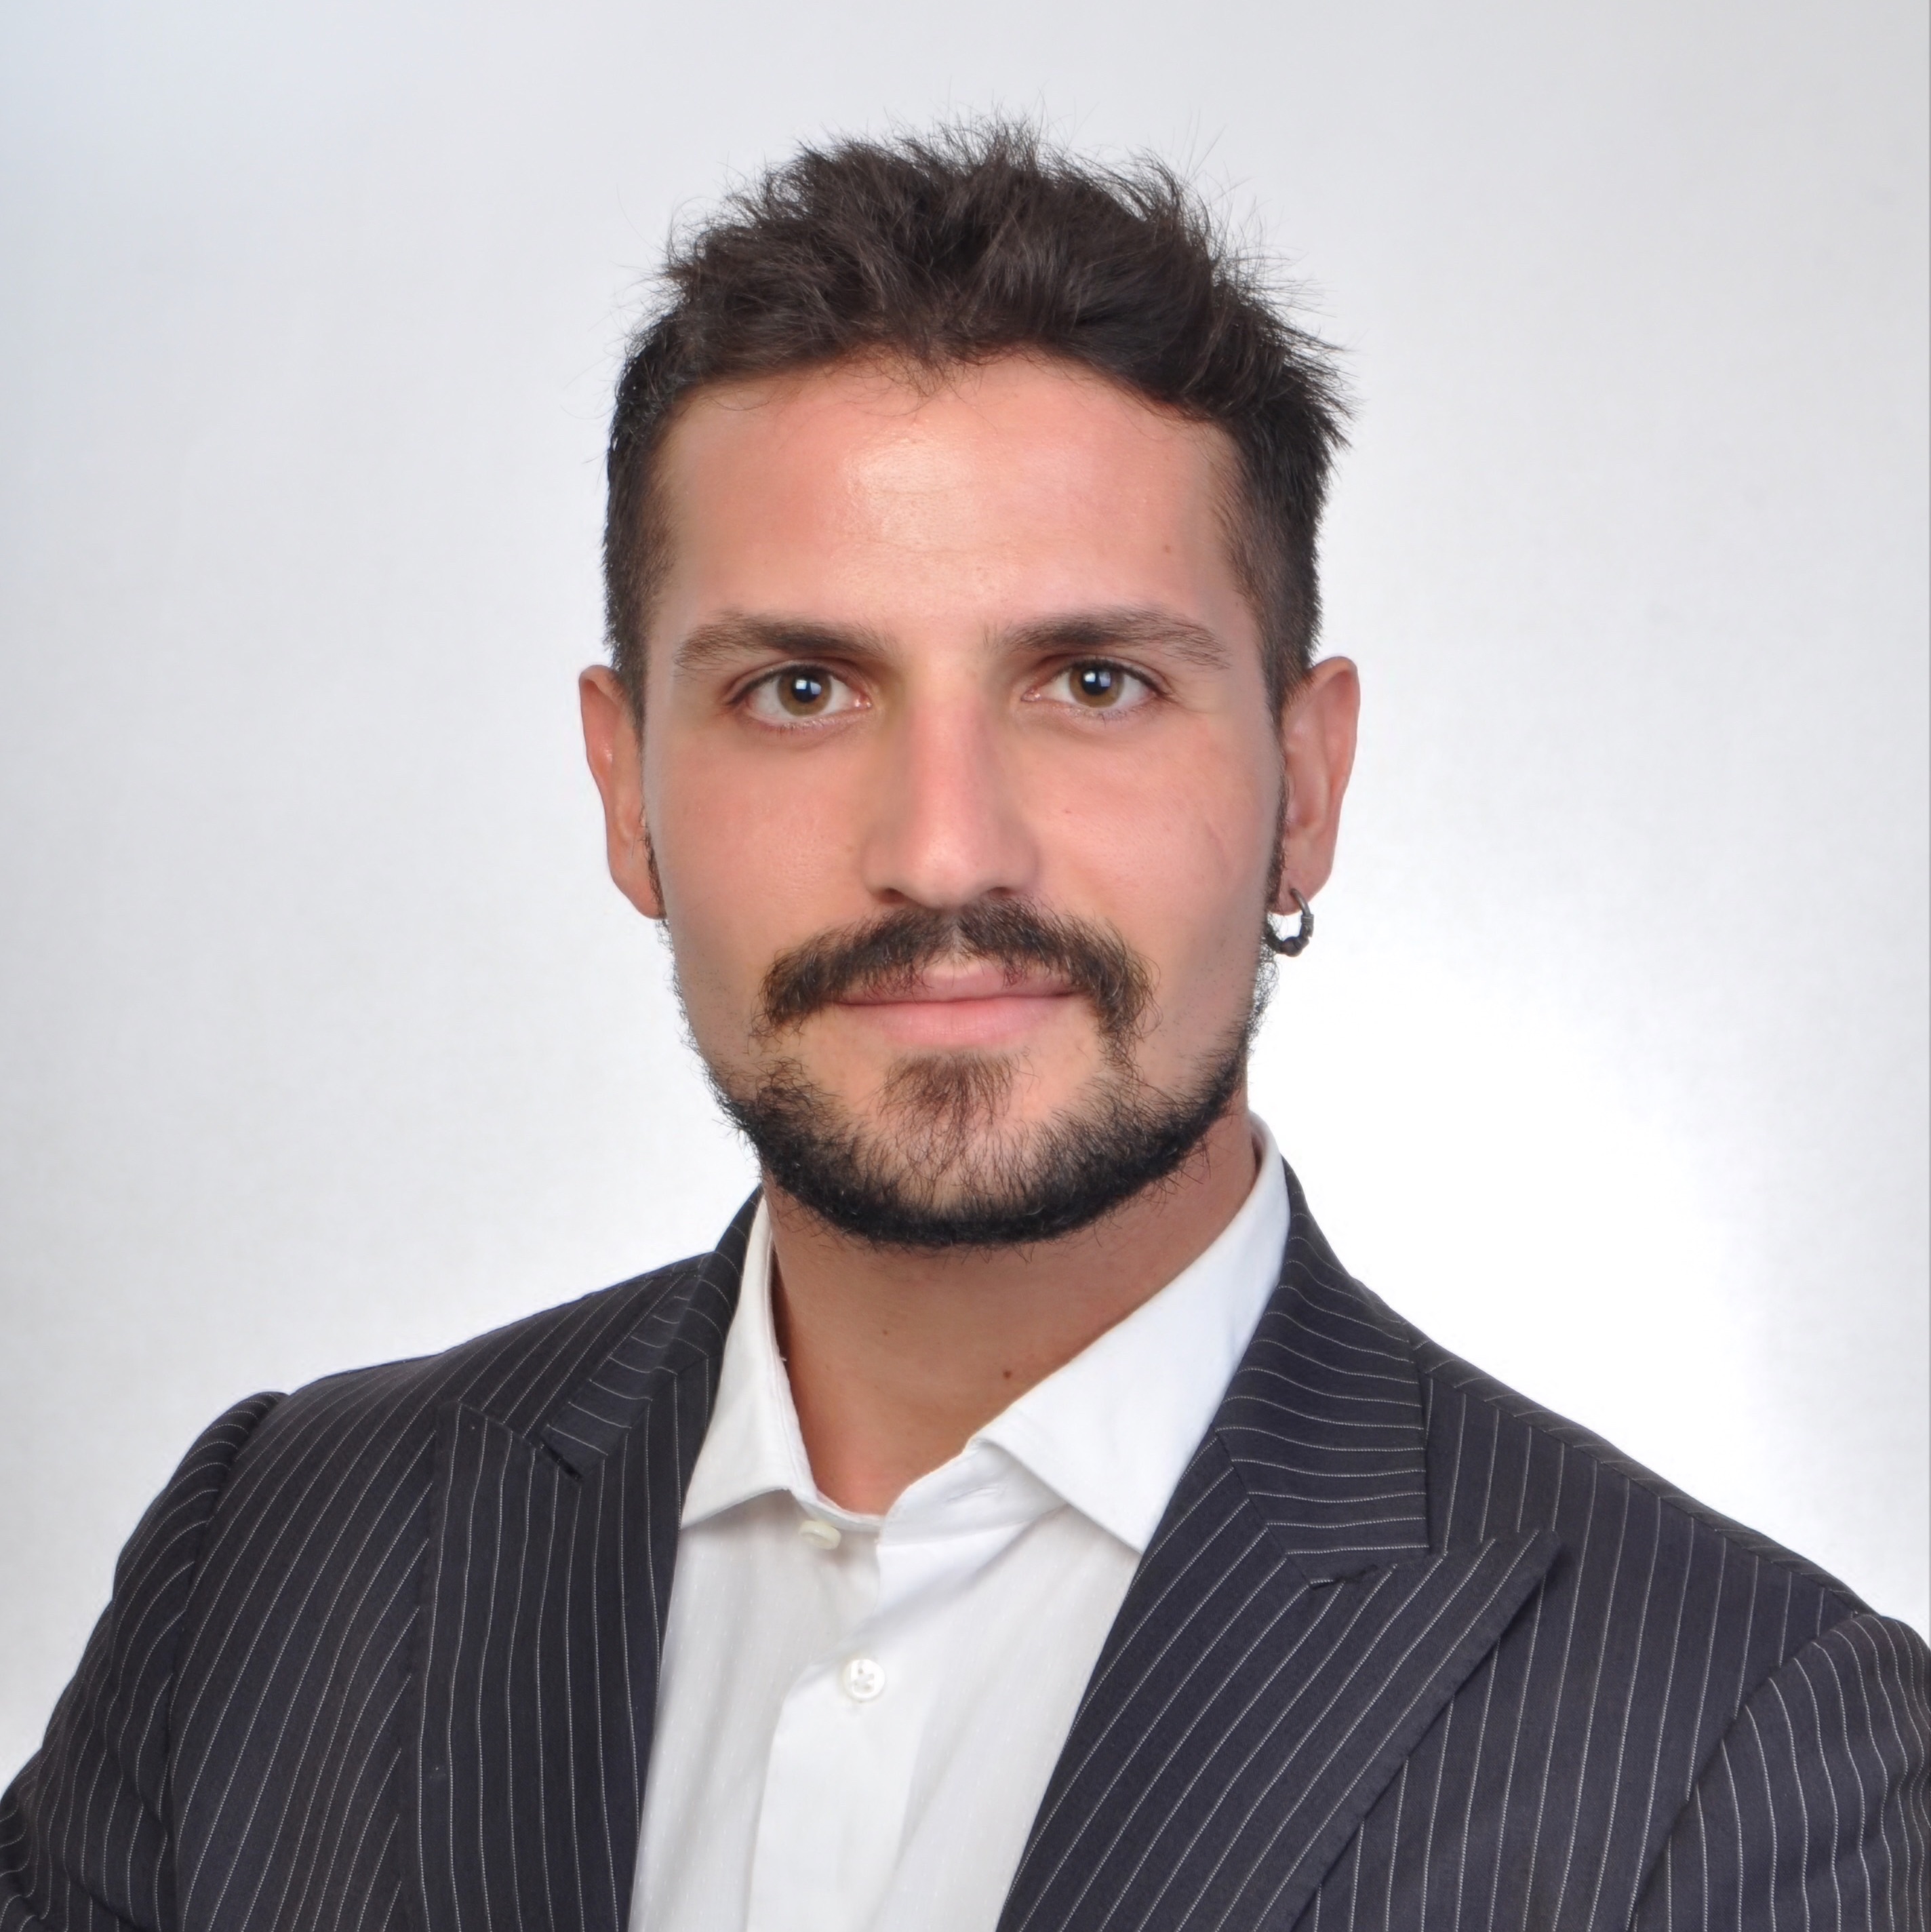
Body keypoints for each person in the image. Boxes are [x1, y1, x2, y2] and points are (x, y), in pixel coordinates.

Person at [1, 122, 1924, 1932]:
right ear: (624, 789)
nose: (942, 851)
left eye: (1092, 682)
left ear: (1306, 785)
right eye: (800, 689)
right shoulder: (267, 1561)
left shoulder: (1748, 1748)